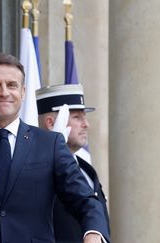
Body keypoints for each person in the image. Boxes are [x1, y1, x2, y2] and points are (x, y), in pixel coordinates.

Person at [0, 53, 110, 243]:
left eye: (12, 85)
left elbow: (85, 200)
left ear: (23, 92)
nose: (4, 92)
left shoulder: (50, 145)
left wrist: (93, 232)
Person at [36, 84, 110, 243]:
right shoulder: (38, 170)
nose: (86, 124)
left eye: (85, 116)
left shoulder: (86, 169)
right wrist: (53, 148)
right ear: (51, 123)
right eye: (77, 117)